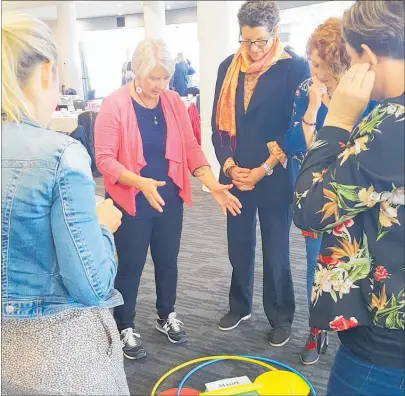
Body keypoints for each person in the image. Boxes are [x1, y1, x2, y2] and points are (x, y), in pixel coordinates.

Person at [1, 12, 129, 395]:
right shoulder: (59, 154)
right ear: (46, 71)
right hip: (59, 356)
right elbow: (90, 285)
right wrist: (102, 226)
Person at [95, 38, 242, 360]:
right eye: (153, 78)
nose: (160, 85)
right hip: (130, 200)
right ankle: (124, 325)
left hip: (169, 198)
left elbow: (190, 147)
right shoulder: (115, 104)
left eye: (166, 78)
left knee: (167, 261)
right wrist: (139, 182)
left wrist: (211, 182)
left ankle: (166, 315)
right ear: (137, 72)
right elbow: (104, 160)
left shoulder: (174, 101)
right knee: (131, 265)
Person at [293, 1, 404, 395]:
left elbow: (309, 209)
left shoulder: (391, 122)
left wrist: (337, 120)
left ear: (367, 57)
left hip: (388, 339)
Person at [212, 0, 310, 346]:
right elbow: (216, 126)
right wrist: (228, 164)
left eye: (260, 42)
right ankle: (240, 305)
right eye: (245, 41)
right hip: (236, 174)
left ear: (275, 33)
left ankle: (281, 315)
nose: (252, 50)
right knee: (238, 245)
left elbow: (296, 127)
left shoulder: (295, 67)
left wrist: (262, 169)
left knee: (276, 249)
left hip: (274, 174)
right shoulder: (228, 67)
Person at [282, 18, 376, 365]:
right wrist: (311, 110)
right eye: (311, 60)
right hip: (317, 190)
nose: (313, 70)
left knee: (358, 265)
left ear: (340, 62)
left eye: (319, 63)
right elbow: (298, 144)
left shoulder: (368, 98)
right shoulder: (308, 89)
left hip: (355, 199)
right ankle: (317, 330)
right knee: (315, 264)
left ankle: (357, 327)